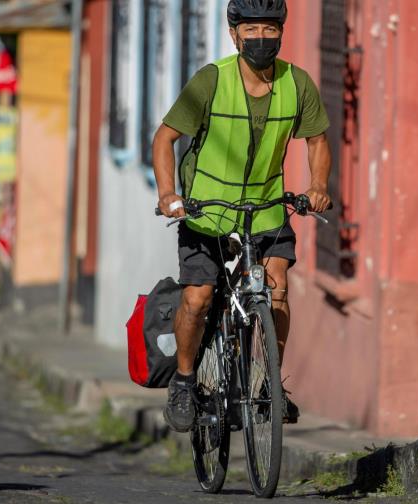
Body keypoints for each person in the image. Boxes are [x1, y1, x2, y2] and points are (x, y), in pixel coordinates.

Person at [151, 0, 331, 433]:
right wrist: (168, 194)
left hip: (266, 208)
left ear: (281, 33)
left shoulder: (297, 83)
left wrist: (318, 186)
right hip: (208, 210)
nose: (261, 39)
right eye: (251, 29)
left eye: (270, 29)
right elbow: (165, 138)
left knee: (278, 287)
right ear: (234, 34)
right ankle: (184, 379)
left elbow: (317, 141)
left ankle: (270, 383)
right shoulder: (211, 81)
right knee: (197, 296)